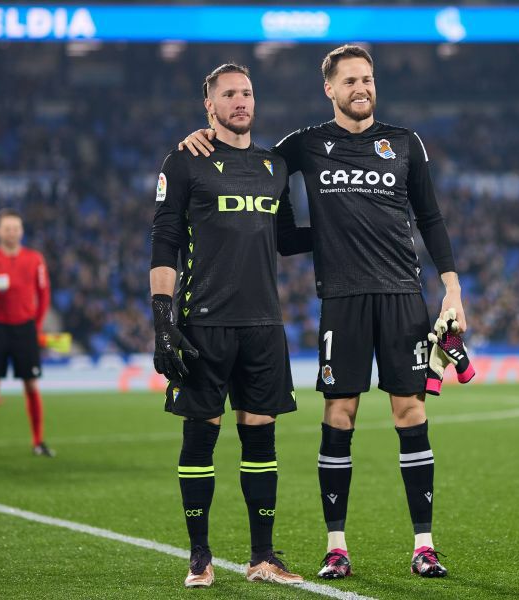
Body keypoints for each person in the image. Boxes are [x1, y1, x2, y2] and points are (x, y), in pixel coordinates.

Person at [179, 45, 466, 578]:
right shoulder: (305, 146)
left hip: (404, 295)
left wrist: (452, 290)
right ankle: (337, 547)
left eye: (368, 79)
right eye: (350, 81)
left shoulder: (404, 143)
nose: (362, 88)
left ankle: (423, 544)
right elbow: (252, 163)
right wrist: (202, 140)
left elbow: (431, 219)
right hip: (341, 298)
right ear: (329, 89)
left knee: (411, 412)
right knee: (339, 415)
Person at [151, 63, 311, 588]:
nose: (240, 101)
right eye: (229, 94)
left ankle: (262, 557)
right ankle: (200, 557)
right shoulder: (185, 161)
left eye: (246, 93)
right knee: (200, 439)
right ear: (210, 105)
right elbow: (165, 240)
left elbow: (288, 239)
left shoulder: (274, 166)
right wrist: (162, 317)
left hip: (263, 325)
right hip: (204, 325)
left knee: (260, 440)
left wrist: (350, 221)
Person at [0, 208, 53, 458]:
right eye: (7, 228)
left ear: (21, 231)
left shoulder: (34, 259)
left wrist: (34, 324)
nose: (12, 232)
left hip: (25, 328)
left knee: (31, 384)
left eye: (16, 228)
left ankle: (38, 442)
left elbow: (44, 295)